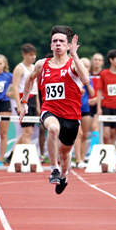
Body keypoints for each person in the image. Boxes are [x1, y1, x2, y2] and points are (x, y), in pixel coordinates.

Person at [19, 25, 89, 195]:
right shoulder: (42, 64)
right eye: (55, 41)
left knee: (65, 154)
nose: (58, 44)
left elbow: (86, 79)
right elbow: (29, 79)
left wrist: (75, 55)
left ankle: (63, 175)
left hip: (71, 116)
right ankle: (54, 169)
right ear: (51, 46)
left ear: (67, 45)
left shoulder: (73, 64)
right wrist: (24, 101)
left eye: (62, 41)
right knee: (52, 128)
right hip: (49, 110)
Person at [11, 43, 39, 163]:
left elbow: (36, 87)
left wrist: (38, 105)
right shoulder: (19, 68)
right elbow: (15, 87)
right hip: (24, 100)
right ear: (24, 55)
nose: (33, 57)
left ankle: (12, 154)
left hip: (33, 100)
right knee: (27, 132)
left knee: (28, 131)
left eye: (34, 55)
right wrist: (19, 104)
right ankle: (29, 160)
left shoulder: (34, 67)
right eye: (30, 55)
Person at [74, 57, 95, 168]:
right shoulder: (73, 76)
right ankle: (77, 159)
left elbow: (91, 93)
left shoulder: (88, 79)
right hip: (75, 109)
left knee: (85, 135)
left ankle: (82, 158)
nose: (85, 68)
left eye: (87, 66)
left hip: (85, 108)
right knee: (79, 134)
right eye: (83, 65)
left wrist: (87, 83)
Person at [88, 53, 104, 157]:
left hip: (99, 103)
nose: (97, 62)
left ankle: (93, 152)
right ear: (92, 61)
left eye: (99, 60)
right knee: (86, 129)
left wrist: (97, 99)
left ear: (102, 62)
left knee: (95, 127)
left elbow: (105, 90)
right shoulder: (87, 73)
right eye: (95, 60)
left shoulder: (104, 74)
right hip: (87, 104)